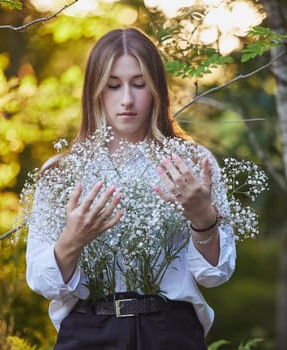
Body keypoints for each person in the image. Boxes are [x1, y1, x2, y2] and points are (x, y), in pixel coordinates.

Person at [25, 27, 236, 350]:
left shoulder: (192, 164)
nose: (126, 99)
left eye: (139, 84)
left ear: (157, 89)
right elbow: (41, 281)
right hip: (88, 333)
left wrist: (202, 217)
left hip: (171, 333)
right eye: (113, 86)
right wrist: (73, 239)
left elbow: (215, 275)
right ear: (94, 90)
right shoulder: (61, 172)